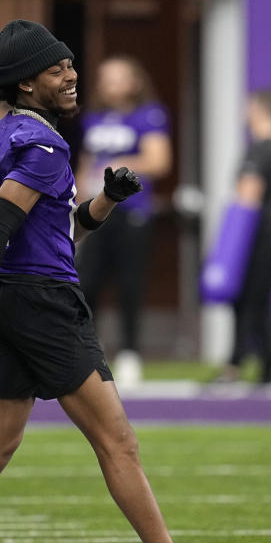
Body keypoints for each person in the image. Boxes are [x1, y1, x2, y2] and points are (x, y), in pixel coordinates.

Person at [0, 20, 250, 543]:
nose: (70, 76)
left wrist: (106, 200)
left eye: (69, 64)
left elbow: (53, 231)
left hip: (16, 300)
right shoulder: (44, 146)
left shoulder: (9, 135)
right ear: (23, 82)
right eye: (54, 69)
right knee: (117, 440)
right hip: (44, 305)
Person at [75, 55, 172, 386]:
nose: (108, 85)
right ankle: (90, 349)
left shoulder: (149, 115)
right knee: (88, 281)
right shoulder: (94, 118)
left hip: (132, 211)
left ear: (134, 82)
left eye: (116, 78)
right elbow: (86, 164)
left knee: (130, 283)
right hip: (96, 212)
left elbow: (158, 160)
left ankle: (130, 353)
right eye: (104, 78)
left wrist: (118, 164)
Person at [215, 89, 271, 384]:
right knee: (261, 300)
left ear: (260, 109)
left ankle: (237, 365)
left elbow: (248, 196)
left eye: (248, 106)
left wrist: (227, 246)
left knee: (248, 300)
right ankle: (268, 364)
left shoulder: (259, 151)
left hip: (260, 233)